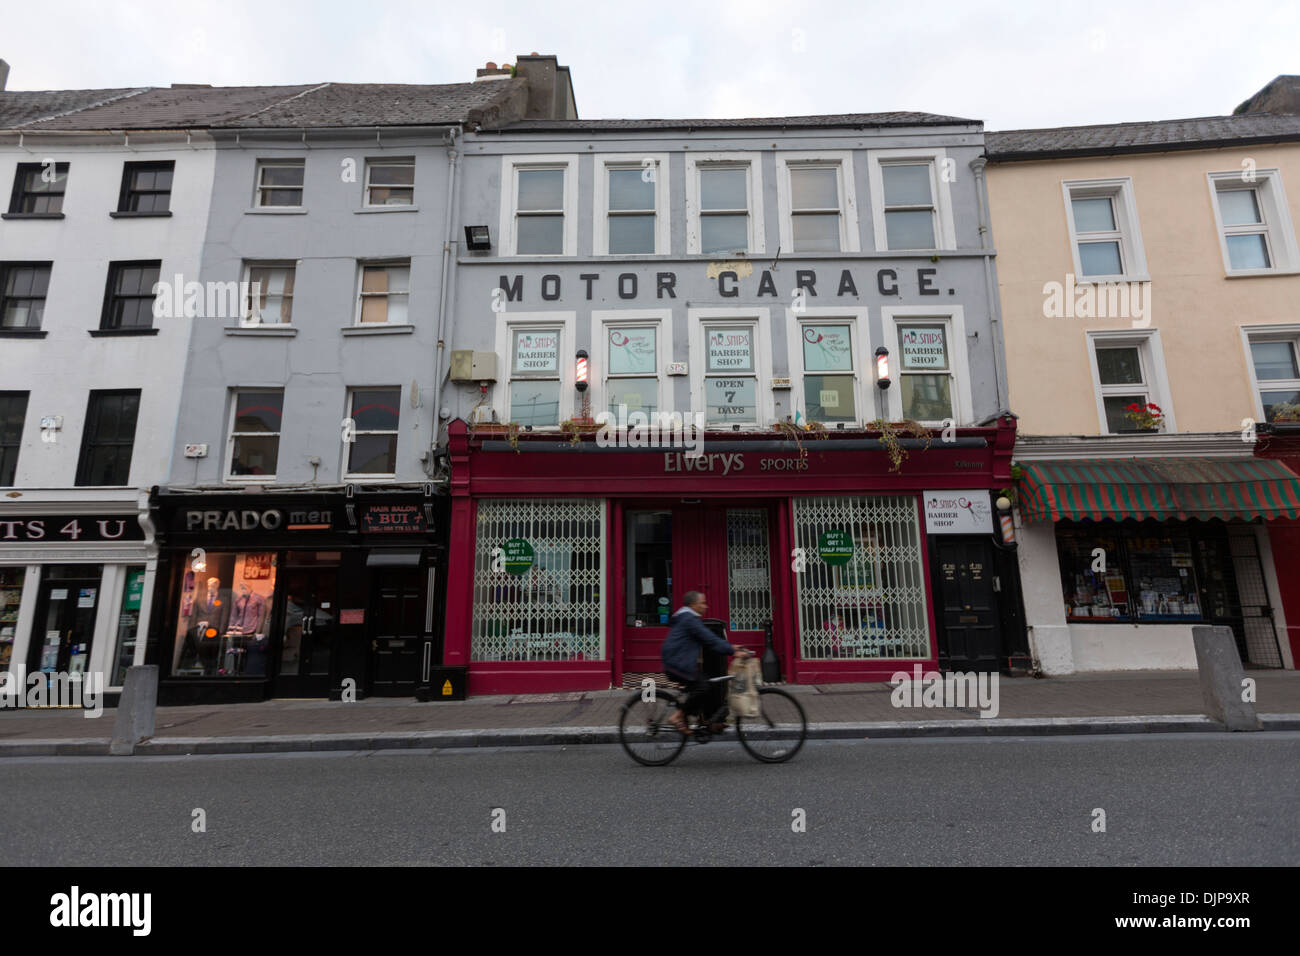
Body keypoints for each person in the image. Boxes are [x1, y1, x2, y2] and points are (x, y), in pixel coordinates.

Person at [660, 590, 752, 735]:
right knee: (703, 686)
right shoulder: (689, 619)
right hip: (677, 663)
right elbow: (709, 639)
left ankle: (704, 719)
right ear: (693, 605)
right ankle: (677, 716)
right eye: (702, 603)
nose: (706, 606)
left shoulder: (687, 617)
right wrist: (733, 652)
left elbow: (708, 639)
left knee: (706, 683)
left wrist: (731, 647)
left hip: (680, 661)